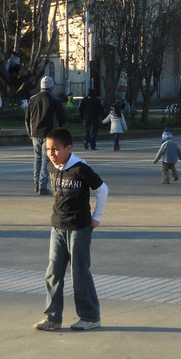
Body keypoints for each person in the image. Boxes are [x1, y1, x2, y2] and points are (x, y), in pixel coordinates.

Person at [33, 127, 108, 332]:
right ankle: (52, 317)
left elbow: (102, 189)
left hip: (79, 228)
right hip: (57, 227)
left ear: (68, 148)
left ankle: (90, 317)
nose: (51, 153)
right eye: (48, 149)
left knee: (79, 273)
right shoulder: (51, 167)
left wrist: (96, 218)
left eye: (56, 149)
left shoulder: (80, 168)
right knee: (53, 273)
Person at [25, 76, 67, 195]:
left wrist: (30, 132)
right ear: (51, 87)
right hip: (49, 134)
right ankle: (42, 186)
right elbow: (62, 118)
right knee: (45, 160)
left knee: (37, 158)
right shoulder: (54, 100)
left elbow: (27, 118)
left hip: (35, 134)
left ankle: (36, 184)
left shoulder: (33, 99)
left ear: (41, 86)